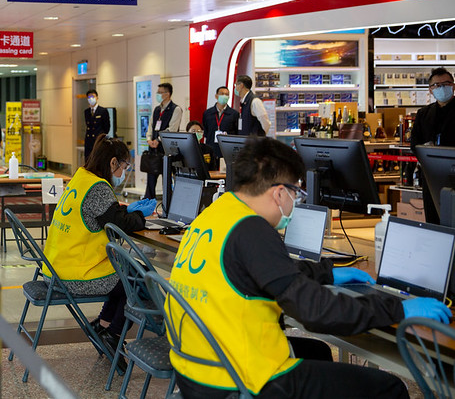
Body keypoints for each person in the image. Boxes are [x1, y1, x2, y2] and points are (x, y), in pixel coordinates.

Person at [167, 137, 449, 399]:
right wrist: (399, 310)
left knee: (317, 352)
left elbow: (259, 270)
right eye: (295, 193)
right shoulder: (252, 230)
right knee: (389, 387)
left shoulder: (219, 214)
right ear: (279, 193)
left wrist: (327, 273)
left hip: (197, 367)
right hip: (239, 380)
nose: (296, 202)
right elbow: (316, 312)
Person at [43, 134, 157, 369]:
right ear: (113, 162)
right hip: (74, 275)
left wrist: (125, 211)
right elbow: (120, 224)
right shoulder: (98, 188)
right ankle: (114, 334)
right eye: (124, 166)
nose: (123, 172)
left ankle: (103, 325)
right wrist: (139, 216)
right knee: (140, 279)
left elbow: (106, 215)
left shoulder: (82, 178)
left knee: (128, 271)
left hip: (56, 266)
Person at [410, 67, 455, 225]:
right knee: (433, 219)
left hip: (453, 173)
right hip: (431, 175)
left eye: (446, 83)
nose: (442, 88)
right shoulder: (423, 113)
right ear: (430, 90)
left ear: (453, 85)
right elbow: (414, 143)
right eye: (437, 85)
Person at [145, 83, 182, 199]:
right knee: (151, 177)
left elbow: (172, 129)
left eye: (160, 92)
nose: (158, 95)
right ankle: (149, 200)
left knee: (166, 177)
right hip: (153, 149)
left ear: (168, 94)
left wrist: (158, 140)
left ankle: (168, 201)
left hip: (166, 149)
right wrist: (149, 139)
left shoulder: (176, 109)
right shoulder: (157, 109)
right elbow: (151, 125)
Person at [201, 86, 239, 161]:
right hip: (211, 148)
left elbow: (236, 132)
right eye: (222, 94)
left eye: (226, 94)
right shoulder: (207, 113)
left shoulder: (234, 114)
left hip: (227, 149)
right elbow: (205, 131)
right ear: (216, 96)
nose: (224, 96)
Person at [83, 89, 111, 161]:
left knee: (98, 161)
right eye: (89, 97)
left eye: (93, 96)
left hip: (98, 141)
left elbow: (107, 127)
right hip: (89, 141)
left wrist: (101, 137)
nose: (91, 99)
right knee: (88, 160)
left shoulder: (103, 111)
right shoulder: (86, 112)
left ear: (97, 98)